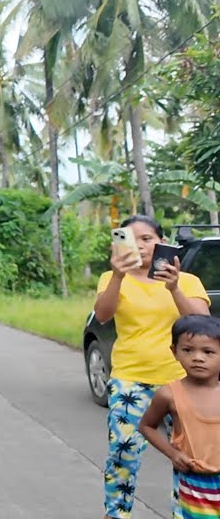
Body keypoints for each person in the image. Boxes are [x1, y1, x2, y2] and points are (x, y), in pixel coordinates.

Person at [95, 214, 210, 519]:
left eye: (147, 239)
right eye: (132, 240)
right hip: (130, 378)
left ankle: (187, 513)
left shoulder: (187, 281)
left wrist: (173, 288)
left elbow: (202, 323)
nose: (141, 246)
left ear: (162, 242)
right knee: (123, 453)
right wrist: (118, 275)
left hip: (181, 381)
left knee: (188, 455)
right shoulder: (110, 278)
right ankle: (117, 514)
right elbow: (103, 315)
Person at [140, 315, 220, 519]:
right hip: (196, 486)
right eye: (188, 350)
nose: (198, 358)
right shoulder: (169, 394)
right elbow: (147, 426)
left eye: (208, 351)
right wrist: (173, 454)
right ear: (174, 351)